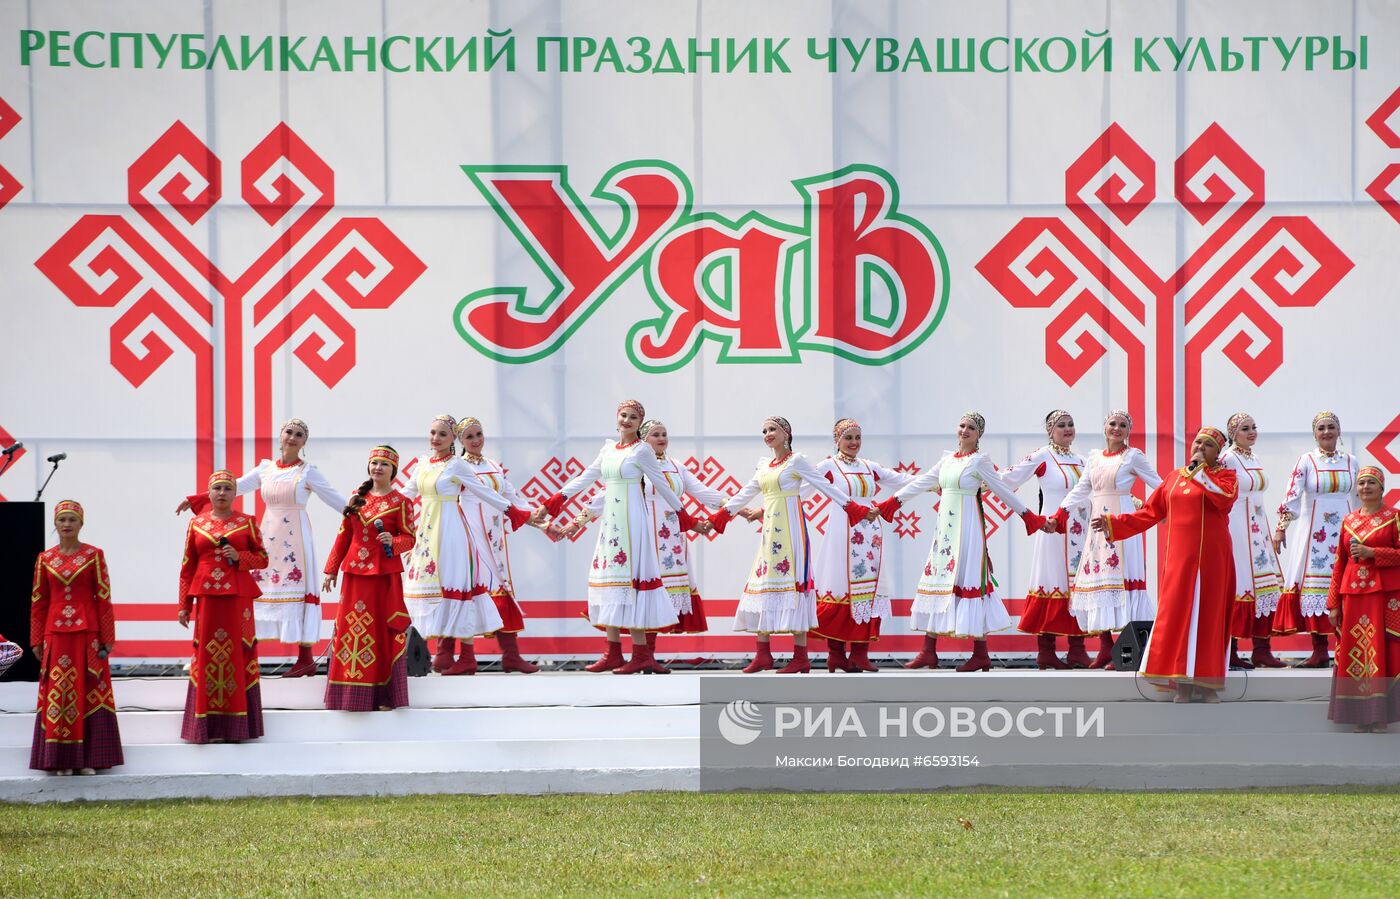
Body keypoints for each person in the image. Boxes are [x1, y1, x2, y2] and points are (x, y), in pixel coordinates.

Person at [176, 418, 346, 677]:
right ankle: (244, 654)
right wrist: (197, 499)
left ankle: (305, 658)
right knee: (257, 589)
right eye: (289, 432)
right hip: (267, 534)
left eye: (299, 434)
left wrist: (360, 512)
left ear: (304, 442)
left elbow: (334, 498)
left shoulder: (308, 472)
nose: (292, 437)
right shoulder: (265, 469)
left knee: (298, 590)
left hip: (296, 537)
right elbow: (237, 485)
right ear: (280, 435)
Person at [878, 412, 1046, 672]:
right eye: (962, 426)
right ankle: (928, 651)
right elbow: (922, 482)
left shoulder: (980, 462)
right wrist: (892, 503)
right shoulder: (946, 460)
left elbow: (1002, 489)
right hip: (945, 533)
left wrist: (1028, 516)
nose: (965, 431)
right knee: (938, 582)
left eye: (971, 428)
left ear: (979, 435)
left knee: (969, 584)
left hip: (968, 532)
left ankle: (981, 653)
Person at [544, 400, 701, 675]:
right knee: (609, 580)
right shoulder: (607, 450)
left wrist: (684, 516)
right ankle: (614, 653)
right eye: (623, 415)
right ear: (616, 418)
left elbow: (663, 486)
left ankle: (640, 654)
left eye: (633, 417)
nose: (627, 420)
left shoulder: (642, 451)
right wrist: (555, 501)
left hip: (634, 520)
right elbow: (585, 478)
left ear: (640, 423)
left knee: (635, 581)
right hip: (612, 521)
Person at [709, 416, 873, 674]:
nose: (768, 434)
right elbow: (745, 492)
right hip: (770, 533)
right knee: (763, 584)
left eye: (772, 429)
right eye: (764, 430)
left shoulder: (797, 461)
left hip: (791, 528)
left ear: (786, 433)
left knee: (795, 586)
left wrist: (854, 509)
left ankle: (800, 657)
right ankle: (763, 653)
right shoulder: (764, 466)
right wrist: (722, 516)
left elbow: (826, 487)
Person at [1092, 427, 1238, 703]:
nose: (1200, 448)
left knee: (1209, 616)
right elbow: (1150, 513)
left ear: (1218, 454)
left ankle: (1207, 685)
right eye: (1197, 443)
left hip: (1213, 559)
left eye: (1208, 446)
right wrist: (1115, 523)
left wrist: (1201, 473)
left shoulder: (1225, 477)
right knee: (1178, 617)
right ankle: (1181, 683)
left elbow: (1224, 501)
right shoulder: (1173, 478)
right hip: (1179, 561)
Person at [573, 419, 729, 673]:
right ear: (643, 439)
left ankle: (646, 656)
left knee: (655, 595)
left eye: (664, 434)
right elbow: (606, 496)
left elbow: (704, 492)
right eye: (655, 434)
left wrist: (736, 508)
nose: (661, 438)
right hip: (638, 536)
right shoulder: (635, 463)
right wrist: (579, 521)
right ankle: (613, 653)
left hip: (670, 542)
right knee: (623, 589)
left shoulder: (677, 467)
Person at [403, 414, 536, 676]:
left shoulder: (458, 465)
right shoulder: (421, 465)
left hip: (457, 531)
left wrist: (516, 512)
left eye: (442, 434)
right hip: (429, 533)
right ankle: (442, 653)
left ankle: (467, 656)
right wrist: (373, 499)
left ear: (453, 439)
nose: (435, 438)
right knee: (431, 589)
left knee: (461, 589)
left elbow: (486, 493)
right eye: (432, 433)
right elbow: (405, 495)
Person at [1054, 410, 1163, 669]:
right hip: (1097, 527)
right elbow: (1082, 489)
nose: (1116, 428)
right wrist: (1061, 512)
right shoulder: (1094, 458)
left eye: (1122, 425)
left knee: (1124, 586)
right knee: (1100, 584)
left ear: (1128, 431)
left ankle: (1126, 653)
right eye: (1112, 424)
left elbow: (1159, 486)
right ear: (1105, 428)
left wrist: (1148, 509)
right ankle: (1105, 648)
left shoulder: (1133, 457)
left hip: (1122, 526)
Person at [811, 418, 913, 672]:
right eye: (848, 438)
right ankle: (835, 654)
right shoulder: (828, 466)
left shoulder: (870, 467)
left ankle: (859, 653)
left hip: (870, 534)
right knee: (840, 586)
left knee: (869, 589)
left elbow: (901, 480)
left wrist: (937, 482)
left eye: (857, 437)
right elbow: (802, 488)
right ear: (837, 440)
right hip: (841, 533)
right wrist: (769, 506)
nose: (854, 442)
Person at [29, 500, 123, 774]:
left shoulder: (94, 555)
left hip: (88, 634)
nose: (67, 524)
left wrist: (108, 636)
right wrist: (36, 639)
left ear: (81, 524)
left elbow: (104, 598)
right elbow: (38, 601)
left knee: (88, 689)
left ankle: (88, 759)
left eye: (72, 520)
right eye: (62, 520)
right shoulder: (44, 559)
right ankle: (61, 759)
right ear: (56, 525)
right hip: (56, 634)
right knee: (60, 693)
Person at [178, 471, 270, 743]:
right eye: (216, 488)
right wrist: (184, 605)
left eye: (227, 489)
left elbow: (262, 559)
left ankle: (237, 727)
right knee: (206, 656)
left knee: (238, 653)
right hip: (207, 597)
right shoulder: (197, 524)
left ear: (234, 493)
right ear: (209, 493)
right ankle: (208, 726)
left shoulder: (247, 523)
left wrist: (239, 557)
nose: (221, 493)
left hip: (237, 599)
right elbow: (187, 567)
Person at [322, 446, 416, 711]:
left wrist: (393, 541)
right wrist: (331, 569)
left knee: (382, 630)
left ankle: (384, 696)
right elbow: (344, 536)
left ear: (393, 470)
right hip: (354, 574)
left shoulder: (401, 502)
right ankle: (347, 695)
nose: (378, 468)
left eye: (384, 464)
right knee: (351, 630)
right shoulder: (356, 499)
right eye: (374, 463)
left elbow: (410, 538)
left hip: (383, 575)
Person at [1003, 410, 1091, 669]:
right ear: (1050, 431)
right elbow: (1008, 479)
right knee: (1053, 581)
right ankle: (1046, 651)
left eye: (1071, 424)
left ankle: (1077, 649)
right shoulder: (1043, 456)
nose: (1067, 429)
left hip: (1082, 531)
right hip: (1054, 531)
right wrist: (981, 478)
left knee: (1079, 585)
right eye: (1061, 425)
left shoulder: (1082, 460)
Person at [456, 417, 544, 674]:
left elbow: (512, 498)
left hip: (495, 539)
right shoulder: (457, 466)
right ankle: (464, 657)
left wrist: (541, 521)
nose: (476, 440)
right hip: (470, 536)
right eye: (469, 437)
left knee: (501, 587)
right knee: (468, 592)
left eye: (479, 434)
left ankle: (511, 656)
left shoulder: (493, 465)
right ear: (460, 441)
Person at [1274, 411, 1359, 667]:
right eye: (1321, 428)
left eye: (1331, 427)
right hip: (1313, 533)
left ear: (1339, 431)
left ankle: (1344, 649)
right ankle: (1320, 651)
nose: (1326, 432)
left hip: (1344, 529)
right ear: (1314, 433)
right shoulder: (1306, 461)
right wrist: (1281, 528)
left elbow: (1357, 497)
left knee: (1346, 585)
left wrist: (1362, 530)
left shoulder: (1352, 461)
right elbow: (1291, 494)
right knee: (1315, 589)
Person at [1325, 466, 1400, 732]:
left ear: (1381, 487)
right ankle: (1359, 713)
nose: (1365, 487)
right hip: (1352, 595)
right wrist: (1333, 602)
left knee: (1380, 651)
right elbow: (1339, 564)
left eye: (1371, 483)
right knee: (1354, 651)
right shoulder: (1348, 520)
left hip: (1382, 595)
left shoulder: (1394, 517)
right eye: (1361, 483)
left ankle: (1379, 715)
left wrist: (1373, 552)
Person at [1218, 413, 1287, 669]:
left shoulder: (1253, 457)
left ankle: (1262, 650)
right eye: (1245, 428)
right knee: (1240, 585)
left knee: (1266, 586)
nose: (1252, 432)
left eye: (1254, 427)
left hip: (1257, 528)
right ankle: (1231, 651)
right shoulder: (1227, 459)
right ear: (1233, 433)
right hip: (1237, 527)